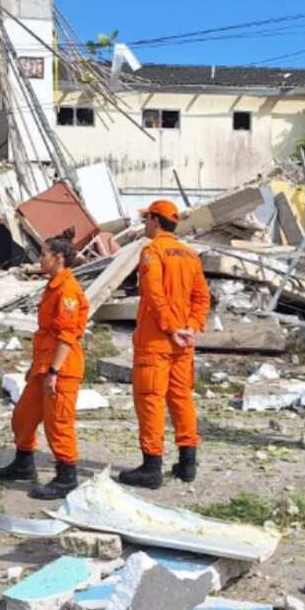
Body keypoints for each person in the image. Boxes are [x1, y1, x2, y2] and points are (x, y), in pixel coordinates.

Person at [0, 230, 89, 500]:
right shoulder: (54, 284)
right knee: (23, 416)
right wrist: (39, 368)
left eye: (44, 255)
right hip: (44, 365)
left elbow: (67, 336)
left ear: (58, 258)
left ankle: (67, 477)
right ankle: (23, 463)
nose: (40, 259)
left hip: (61, 368)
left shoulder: (68, 290)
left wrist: (53, 372)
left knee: (58, 423)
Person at [119, 200, 211, 490]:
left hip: (157, 341)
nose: (145, 223)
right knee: (181, 398)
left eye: (147, 219)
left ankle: (151, 466)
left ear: (156, 221)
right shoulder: (190, 254)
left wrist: (171, 328)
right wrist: (190, 328)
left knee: (150, 400)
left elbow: (154, 294)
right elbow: (202, 298)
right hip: (183, 342)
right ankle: (187, 463)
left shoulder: (153, 251)